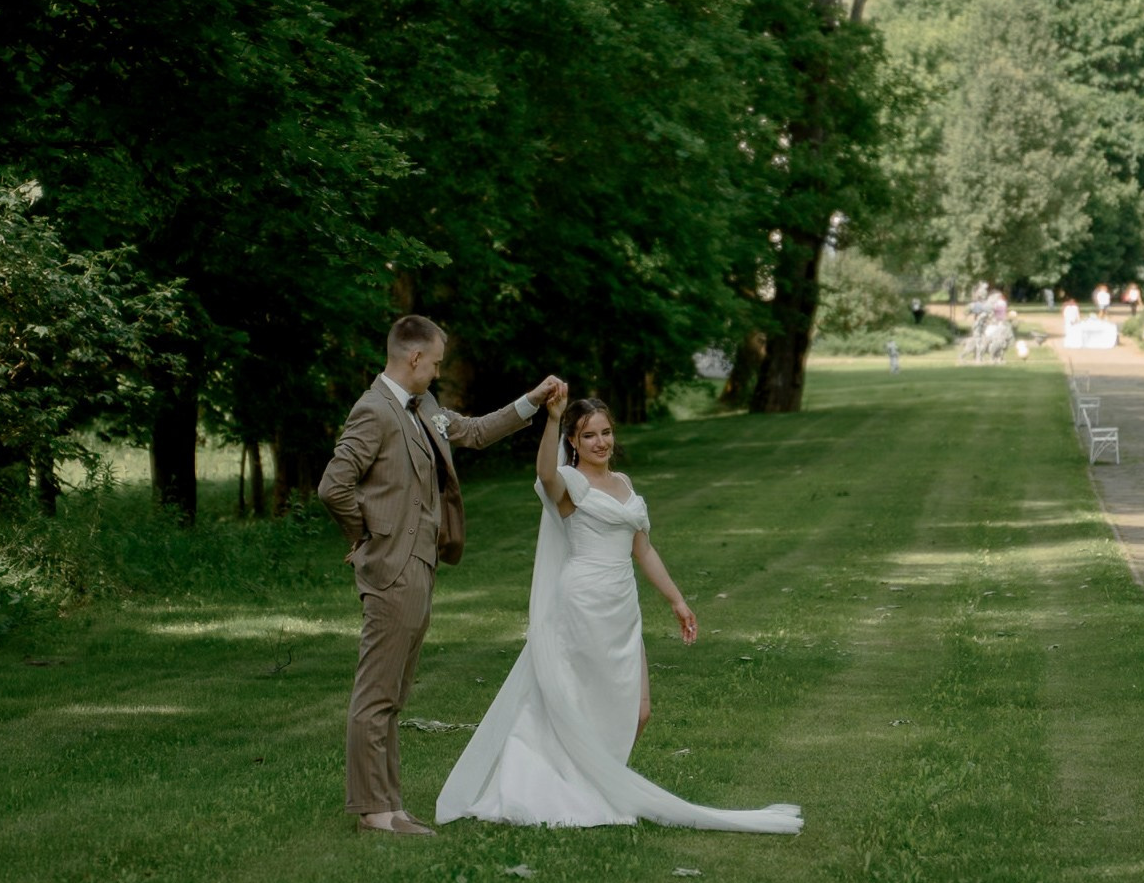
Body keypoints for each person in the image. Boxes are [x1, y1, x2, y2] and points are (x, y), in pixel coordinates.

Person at [436, 387, 802, 834]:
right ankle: (569, 786)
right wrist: (551, 418)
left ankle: (599, 781)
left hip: (621, 604)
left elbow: (642, 549)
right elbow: (546, 476)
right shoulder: (570, 483)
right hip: (583, 601)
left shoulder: (624, 484)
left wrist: (677, 601)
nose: (601, 442)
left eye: (606, 433)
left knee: (638, 709)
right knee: (579, 702)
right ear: (574, 441)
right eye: (589, 436)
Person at [318, 315, 559, 838]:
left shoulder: (422, 407)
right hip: (392, 567)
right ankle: (372, 811)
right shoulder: (374, 410)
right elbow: (334, 487)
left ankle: (390, 806)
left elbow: (472, 432)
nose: (438, 372)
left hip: (421, 566)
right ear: (413, 358)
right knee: (375, 694)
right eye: (436, 363)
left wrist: (533, 401)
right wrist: (366, 537)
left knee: (394, 693)